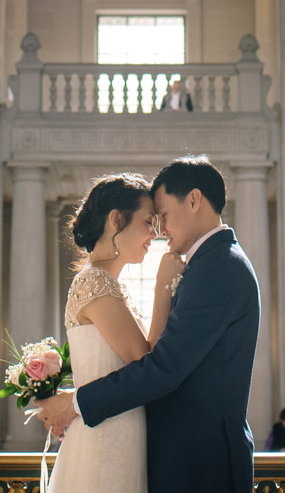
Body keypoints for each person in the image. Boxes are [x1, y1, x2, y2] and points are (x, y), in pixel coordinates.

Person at [32, 157, 261, 493]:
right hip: (172, 457)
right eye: (151, 221)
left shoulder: (218, 268)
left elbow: (161, 367)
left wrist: (76, 402)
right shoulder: (210, 264)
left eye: (163, 217)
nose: (159, 231)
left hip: (201, 464)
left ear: (194, 200)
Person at [42, 174, 173, 493]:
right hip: (107, 437)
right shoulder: (95, 283)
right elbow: (147, 362)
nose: (154, 234)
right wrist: (164, 286)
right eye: (148, 222)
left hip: (116, 428)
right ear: (116, 219)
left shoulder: (106, 285)